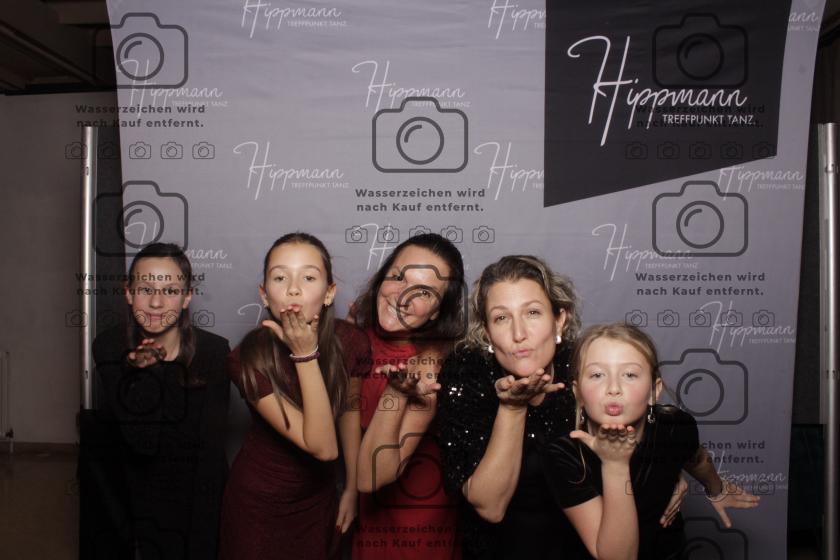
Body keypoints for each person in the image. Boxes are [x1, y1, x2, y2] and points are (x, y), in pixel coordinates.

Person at [545, 323, 760, 559]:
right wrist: (615, 464)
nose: (613, 388)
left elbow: (697, 459)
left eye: (630, 375)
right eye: (597, 375)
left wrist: (716, 488)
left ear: (653, 391)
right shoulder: (564, 453)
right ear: (578, 393)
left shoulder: (674, 426)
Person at [219, 233, 371, 560]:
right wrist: (305, 354)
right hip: (259, 506)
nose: (293, 289)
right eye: (280, 278)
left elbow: (349, 411)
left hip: (318, 500)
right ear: (264, 294)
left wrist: (352, 488)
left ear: (329, 293)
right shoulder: (247, 357)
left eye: (309, 277)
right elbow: (323, 447)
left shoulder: (351, 342)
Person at [437, 255, 584, 560]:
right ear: (487, 333)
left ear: (559, 320)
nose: (519, 334)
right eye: (501, 318)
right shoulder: (466, 374)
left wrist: (665, 476)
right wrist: (513, 408)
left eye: (532, 312)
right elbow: (490, 507)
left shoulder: (586, 367)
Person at [91, 242, 231, 559]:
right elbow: (142, 443)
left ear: (187, 297)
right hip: (133, 490)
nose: (156, 303)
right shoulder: (110, 347)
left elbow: (210, 453)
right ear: (128, 293)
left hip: (196, 492)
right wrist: (148, 373)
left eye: (170, 291)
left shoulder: (214, 352)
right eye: (145, 289)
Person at [352, 233, 466, 560]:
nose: (402, 296)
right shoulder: (356, 339)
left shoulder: (429, 367)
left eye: (424, 292)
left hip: (415, 532)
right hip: (367, 521)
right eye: (398, 276)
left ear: (436, 312)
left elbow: (372, 476)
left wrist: (396, 393)